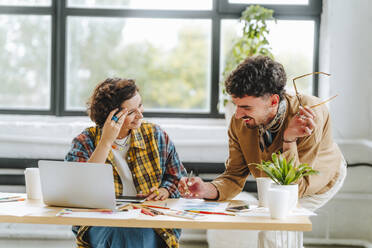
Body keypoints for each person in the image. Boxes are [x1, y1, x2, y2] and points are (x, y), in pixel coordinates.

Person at [178, 55, 347, 246]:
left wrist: (289, 139)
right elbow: (234, 175)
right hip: (275, 182)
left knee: (275, 232)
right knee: (275, 232)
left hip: (318, 181)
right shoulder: (239, 122)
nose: (238, 114)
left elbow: (294, 187)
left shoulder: (309, 116)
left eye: (246, 107)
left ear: (273, 101)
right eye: (236, 105)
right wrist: (207, 189)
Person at [65, 78, 187, 248]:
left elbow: (177, 177)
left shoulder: (156, 135)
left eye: (141, 106)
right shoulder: (85, 142)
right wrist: (106, 142)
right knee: (123, 232)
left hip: (150, 221)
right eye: (131, 112)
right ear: (110, 116)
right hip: (100, 222)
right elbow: (78, 190)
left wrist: (165, 190)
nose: (140, 115)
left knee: (133, 233)